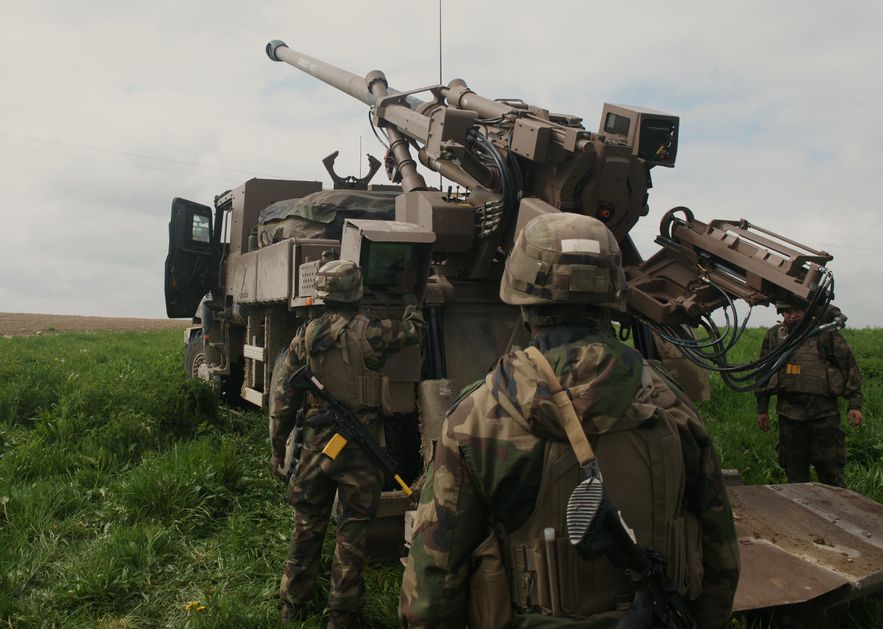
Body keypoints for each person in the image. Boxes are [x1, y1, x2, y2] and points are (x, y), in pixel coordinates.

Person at [400, 213, 740, 629]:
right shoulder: (673, 406)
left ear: (523, 302)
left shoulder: (475, 420)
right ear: (612, 297)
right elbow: (719, 557)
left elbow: (431, 591)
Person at [270, 259, 425, 629]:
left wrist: (278, 446)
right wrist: (408, 293)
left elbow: (284, 397)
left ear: (322, 295)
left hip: (314, 447)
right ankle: (342, 615)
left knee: (307, 524)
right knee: (352, 531)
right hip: (360, 447)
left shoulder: (303, 338)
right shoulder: (373, 333)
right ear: (356, 292)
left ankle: (293, 603)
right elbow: (415, 330)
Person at [756, 300, 863, 487]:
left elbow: (849, 367)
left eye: (797, 310)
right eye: (787, 310)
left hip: (824, 415)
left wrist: (854, 405)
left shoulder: (825, 334)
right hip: (789, 416)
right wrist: (762, 408)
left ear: (807, 311)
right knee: (794, 475)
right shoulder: (775, 336)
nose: (792, 315)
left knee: (831, 473)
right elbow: (764, 372)